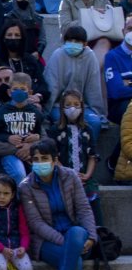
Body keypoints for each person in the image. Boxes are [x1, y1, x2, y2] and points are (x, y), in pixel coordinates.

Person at [20, 139, 97, 270]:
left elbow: (84, 209)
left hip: (74, 234)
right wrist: (70, 245)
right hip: (45, 242)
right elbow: (35, 224)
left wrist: (91, 238)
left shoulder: (70, 176)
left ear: (55, 160)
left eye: (44, 158)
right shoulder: (25, 187)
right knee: (75, 262)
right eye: (35, 159)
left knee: (78, 231)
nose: (39, 163)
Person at [46, 25, 106, 139]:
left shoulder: (90, 57)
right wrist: (45, 113)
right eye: (70, 40)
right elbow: (52, 86)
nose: (73, 43)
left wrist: (98, 113)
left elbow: (93, 89)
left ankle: (88, 154)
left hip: (82, 106)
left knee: (95, 122)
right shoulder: (57, 56)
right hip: (59, 106)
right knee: (62, 122)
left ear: (85, 44)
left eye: (77, 41)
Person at [50, 90, 101, 223]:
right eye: (68, 105)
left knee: (93, 198)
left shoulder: (88, 129)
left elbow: (92, 156)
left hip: (84, 177)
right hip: (63, 177)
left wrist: (87, 175)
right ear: (62, 107)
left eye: (76, 104)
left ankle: (98, 231)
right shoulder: (55, 130)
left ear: (82, 107)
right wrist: (69, 174)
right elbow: (53, 158)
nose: (72, 108)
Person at [0, 72, 45, 180]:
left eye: (22, 89)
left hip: (31, 152)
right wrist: (8, 138)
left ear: (30, 92)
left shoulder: (36, 112)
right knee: (19, 174)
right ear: (9, 92)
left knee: (41, 173)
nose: (18, 92)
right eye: (15, 89)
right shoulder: (2, 112)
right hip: (9, 153)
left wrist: (36, 138)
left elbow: (40, 133)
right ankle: (20, 197)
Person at [61, 0, 119, 66]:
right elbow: (65, 28)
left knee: (104, 42)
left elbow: (112, 26)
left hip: (98, 44)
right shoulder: (67, 2)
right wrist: (90, 16)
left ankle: (91, 71)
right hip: (76, 43)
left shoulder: (104, 1)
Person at [104, 15, 132, 122]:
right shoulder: (112, 56)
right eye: (130, 29)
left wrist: (127, 82)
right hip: (120, 106)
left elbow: (123, 87)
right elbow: (116, 91)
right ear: (123, 31)